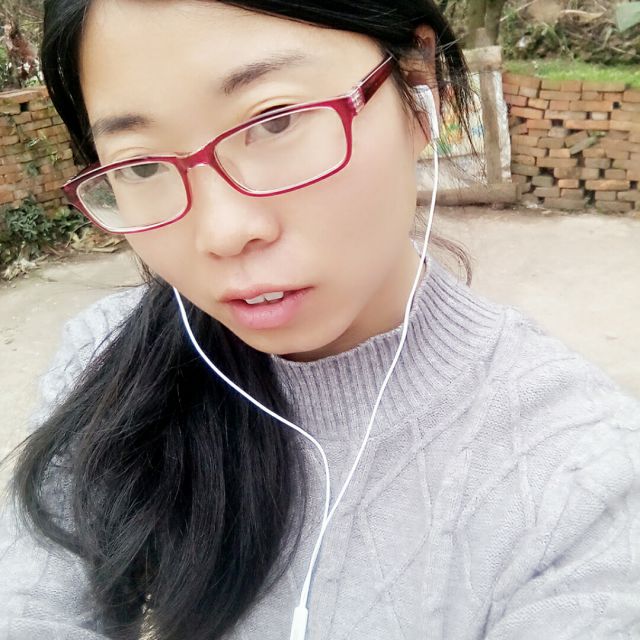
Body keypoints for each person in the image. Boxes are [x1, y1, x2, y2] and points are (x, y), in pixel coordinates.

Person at [1, 1, 639, 639]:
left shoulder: (584, 480)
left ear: (421, 86)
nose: (223, 232)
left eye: (275, 121)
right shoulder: (104, 363)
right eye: (142, 165)